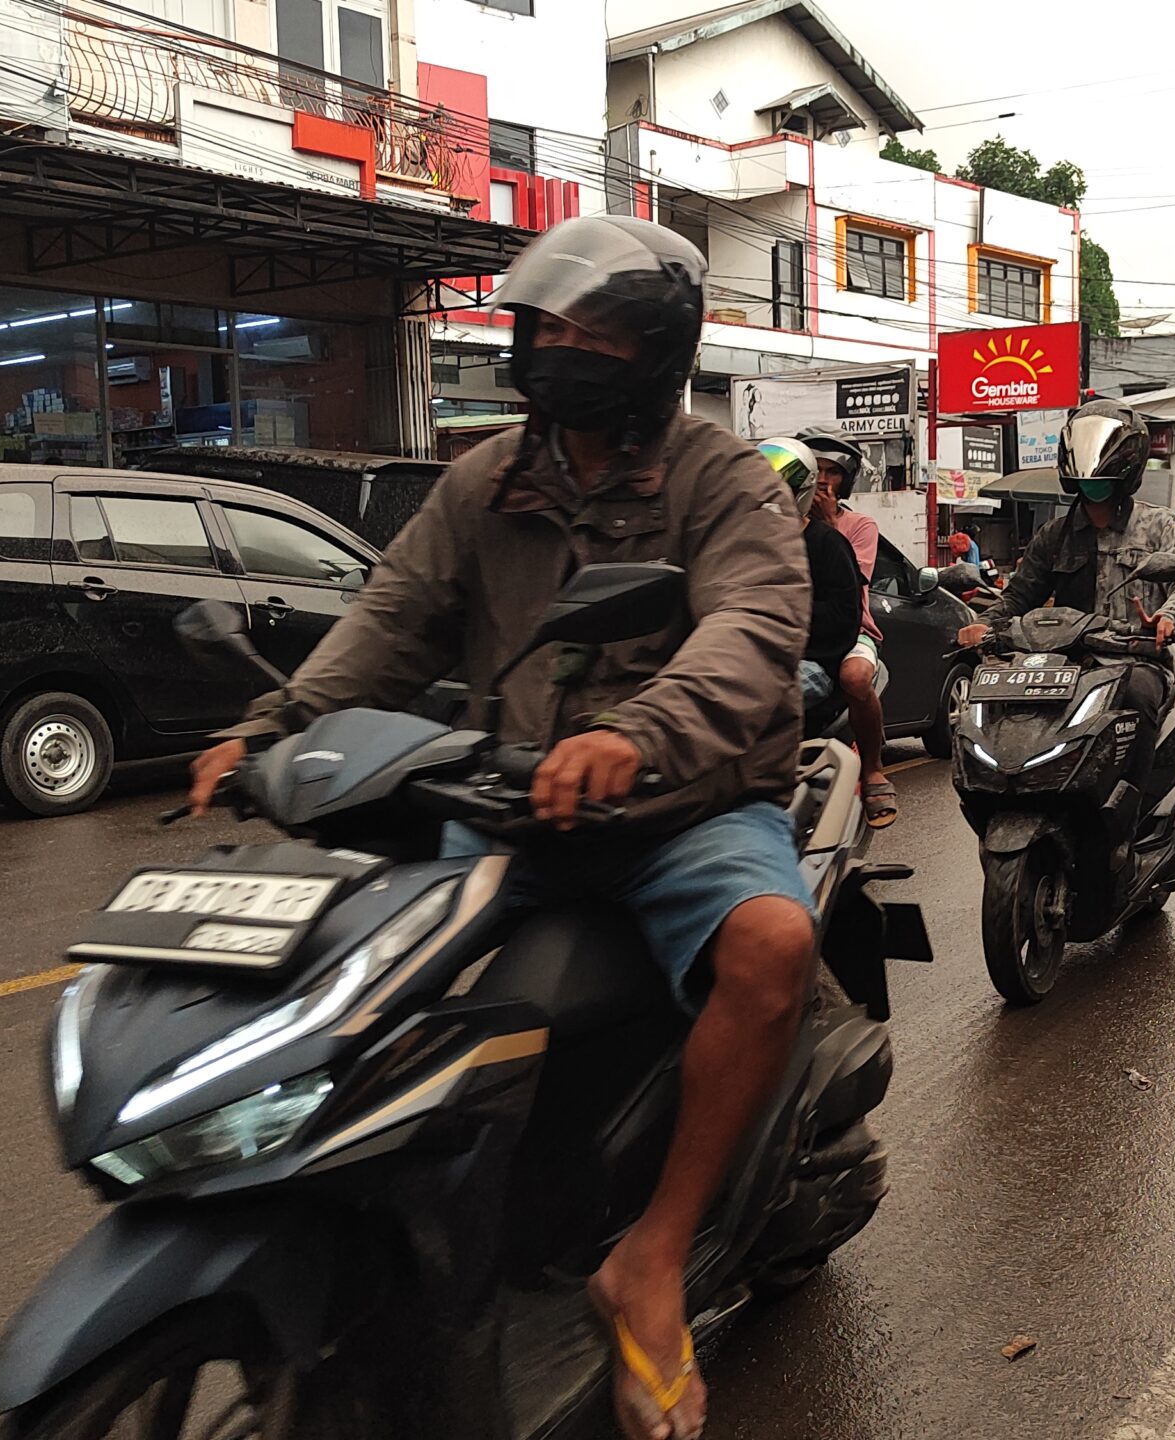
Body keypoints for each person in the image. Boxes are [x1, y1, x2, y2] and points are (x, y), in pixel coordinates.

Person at [184, 216, 810, 1440]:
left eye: (598, 334)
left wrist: (640, 731)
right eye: (549, 328)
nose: (563, 350)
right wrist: (270, 730)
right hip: (516, 807)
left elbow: (751, 631)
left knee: (773, 948)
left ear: (656, 354)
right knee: (355, 974)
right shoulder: (484, 482)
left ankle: (653, 1257)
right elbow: (392, 619)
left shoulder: (719, 481)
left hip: (683, 808)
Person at [957, 398, 1175, 654]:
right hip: (1069, 662)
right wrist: (983, 623)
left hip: (1141, 657)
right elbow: (1019, 596)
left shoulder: (1161, 527)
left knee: (1138, 694)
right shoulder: (1054, 536)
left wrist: (1169, 616)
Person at [796, 426, 897, 827]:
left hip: (853, 629)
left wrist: (825, 524)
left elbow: (852, 582)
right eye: (815, 469)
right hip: (791, 631)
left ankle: (872, 768)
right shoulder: (776, 523)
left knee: (855, 677)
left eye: (832, 472)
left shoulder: (859, 526)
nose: (823, 479)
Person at [762, 437, 866, 728]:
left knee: (757, 702)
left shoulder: (829, 543)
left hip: (812, 660)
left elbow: (844, 616)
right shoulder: (743, 540)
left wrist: (780, 610)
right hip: (752, 654)